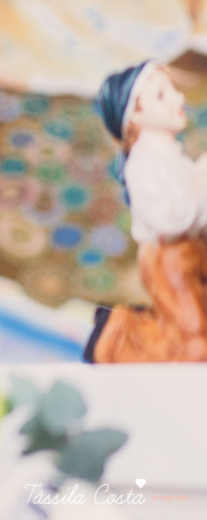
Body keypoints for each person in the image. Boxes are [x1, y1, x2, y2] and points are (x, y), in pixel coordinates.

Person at [86, 60, 207, 362]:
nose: (178, 99)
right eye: (162, 96)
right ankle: (116, 334)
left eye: (174, 91)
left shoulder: (171, 156)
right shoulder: (143, 164)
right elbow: (172, 219)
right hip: (170, 259)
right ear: (135, 116)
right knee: (194, 346)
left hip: (195, 253)